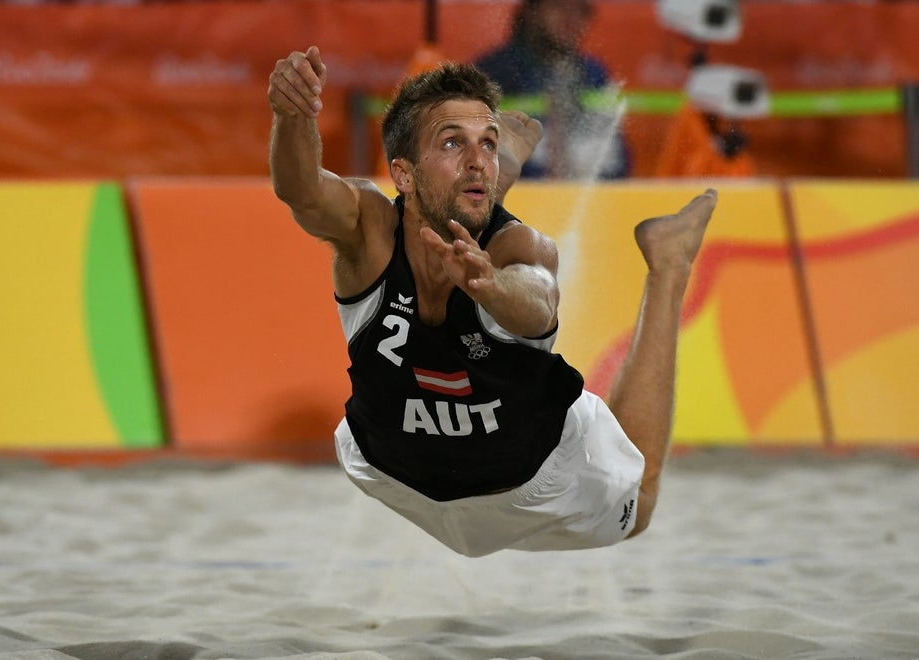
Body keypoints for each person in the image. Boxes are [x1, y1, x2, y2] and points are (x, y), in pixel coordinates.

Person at [267, 46, 716, 557]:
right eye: (453, 142)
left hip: (533, 486)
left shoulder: (518, 247)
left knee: (642, 505)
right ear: (403, 173)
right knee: (454, 201)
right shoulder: (369, 230)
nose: (476, 157)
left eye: (487, 142)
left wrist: (489, 286)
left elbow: (540, 303)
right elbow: (301, 190)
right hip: (393, 473)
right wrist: (293, 114)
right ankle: (503, 159)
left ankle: (669, 264)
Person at [473, 0, 630, 180]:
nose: (570, 18)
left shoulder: (594, 74)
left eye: (580, 11)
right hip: (520, 198)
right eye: (558, 7)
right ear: (532, 12)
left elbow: (617, 160)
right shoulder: (495, 73)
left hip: (588, 198)